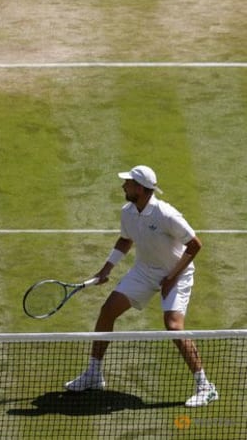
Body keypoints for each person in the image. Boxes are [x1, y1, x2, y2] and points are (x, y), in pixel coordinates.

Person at [65, 165, 218, 408]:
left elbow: (195, 245)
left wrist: (171, 278)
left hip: (177, 273)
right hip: (144, 271)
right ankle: (94, 373)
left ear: (140, 188)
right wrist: (106, 269)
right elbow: (125, 240)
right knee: (108, 311)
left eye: (128, 183)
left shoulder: (166, 214)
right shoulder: (127, 211)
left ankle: (206, 387)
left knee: (173, 326)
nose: (123, 185)